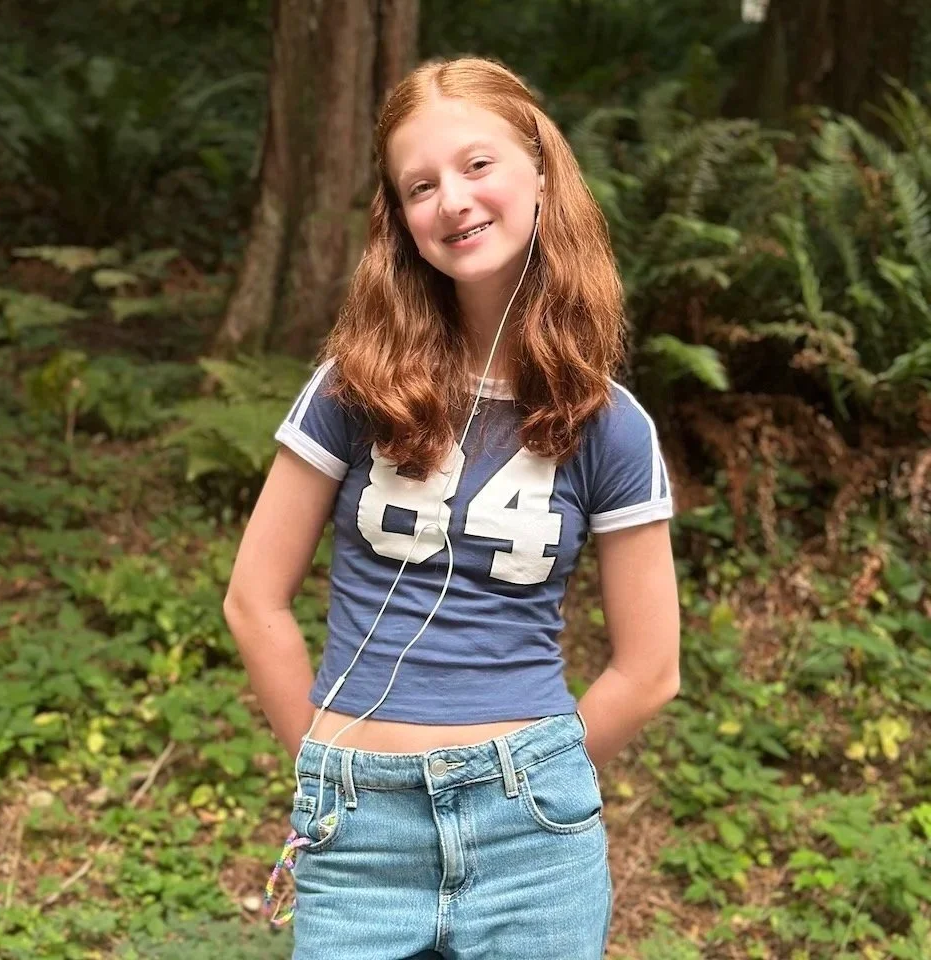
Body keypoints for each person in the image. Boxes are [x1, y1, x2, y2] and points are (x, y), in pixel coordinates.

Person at [223, 55, 681, 960]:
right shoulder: (352, 390)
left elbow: (650, 669)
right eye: (420, 185)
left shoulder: (610, 425)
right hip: (357, 836)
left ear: (541, 173)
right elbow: (253, 600)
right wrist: (323, 763)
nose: (453, 200)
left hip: (534, 847)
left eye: (478, 165)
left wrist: (533, 782)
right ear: (400, 223)